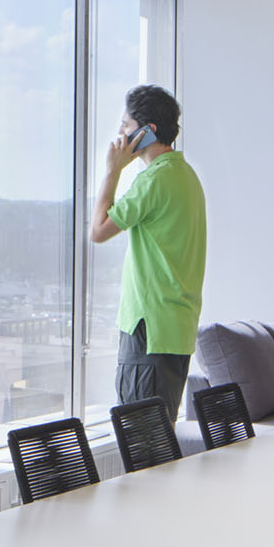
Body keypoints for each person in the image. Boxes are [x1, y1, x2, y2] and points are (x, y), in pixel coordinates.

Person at [88, 85, 205, 421]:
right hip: (176, 331)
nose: (121, 137)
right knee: (159, 443)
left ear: (147, 131)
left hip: (148, 330)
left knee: (143, 445)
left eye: (126, 127)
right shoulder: (186, 175)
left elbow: (98, 230)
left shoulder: (154, 180)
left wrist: (113, 171)